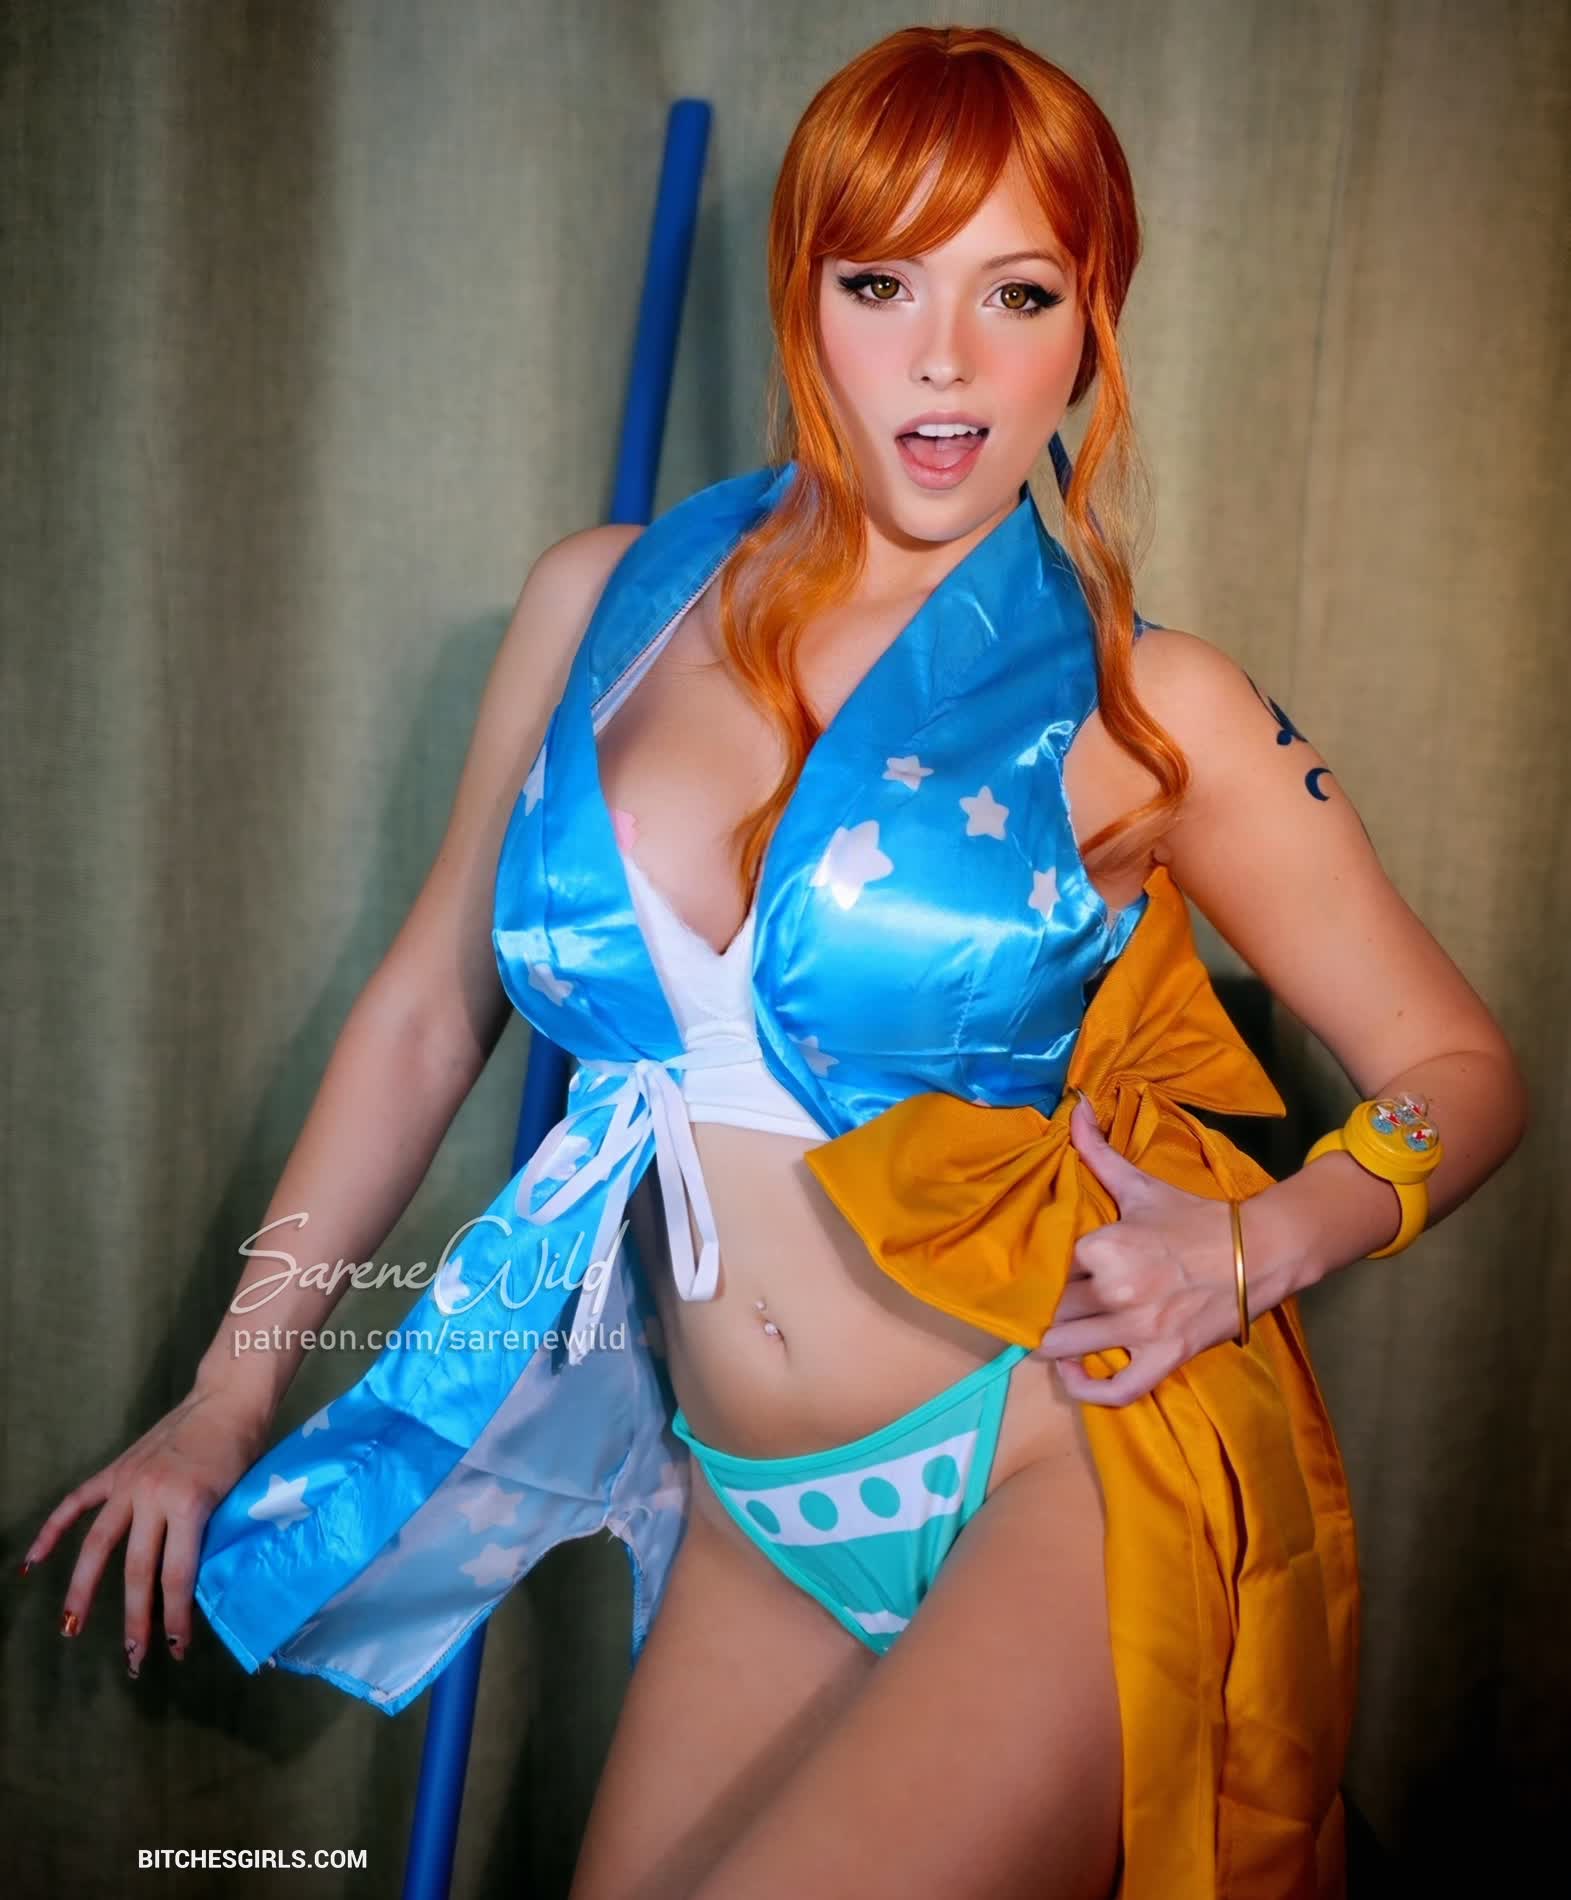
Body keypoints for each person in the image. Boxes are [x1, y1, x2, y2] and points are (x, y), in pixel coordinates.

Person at [23, 24, 1527, 1900]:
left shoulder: (1156, 706)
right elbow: (422, 1018)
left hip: (1058, 1466)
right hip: (758, 1515)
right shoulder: (602, 604)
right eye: (880, 283)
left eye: (1020, 292)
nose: (946, 357)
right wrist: (229, 1393)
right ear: (801, 297)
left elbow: (1462, 1074)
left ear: (1092, 326)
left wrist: (1260, 1244)